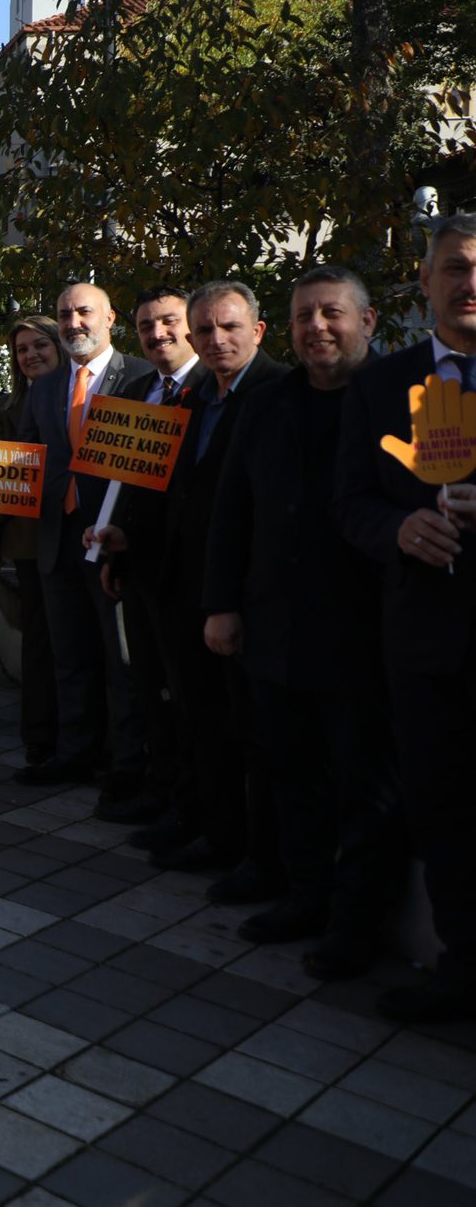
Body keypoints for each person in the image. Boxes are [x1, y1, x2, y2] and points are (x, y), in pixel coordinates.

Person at [206, 267, 401, 974]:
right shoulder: (268, 402)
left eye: (331, 313)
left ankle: (356, 926)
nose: (316, 327)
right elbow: (233, 508)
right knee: (290, 774)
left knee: (365, 790)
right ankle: (305, 896)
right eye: (303, 316)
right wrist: (222, 602)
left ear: (367, 320)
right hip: (275, 630)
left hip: (365, 636)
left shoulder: (400, 399)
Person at [98, 280, 284, 897]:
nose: (214, 339)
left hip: (246, 599)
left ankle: (262, 856)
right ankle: (213, 829)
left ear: (258, 330)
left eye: (226, 327)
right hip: (181, 586)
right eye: (206, 329)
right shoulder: (198, 398)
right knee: (201, 717)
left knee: (253, 733)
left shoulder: (275, 393)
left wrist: (230, 597)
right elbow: (168, 492)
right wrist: (125, 540)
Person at [336, 213, 476, 1023]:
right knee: (441, 807)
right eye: (454, 267)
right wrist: (397, 529)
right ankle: (462, 969)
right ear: (424, 281)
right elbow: (350, 501)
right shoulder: (382, 386)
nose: (470, 284)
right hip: (423, 641)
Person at [15, 282, 145, 789]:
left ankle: (127, 765)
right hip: (57, 540)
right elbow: (29, 457)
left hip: (114, 544)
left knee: (122, 661)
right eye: (65, 314)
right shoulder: (45, 387)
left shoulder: (140, 378)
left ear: (110, 318)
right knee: (70, 658)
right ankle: (75, 755)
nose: (74, 323)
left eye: (84, 312)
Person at [97, 287, 206, 830]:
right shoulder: (138, 392)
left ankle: (192, 807)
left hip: (189, 576)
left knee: (189, 695)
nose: (157, 333)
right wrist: (114, 548)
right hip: (137, 566)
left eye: (168, 321)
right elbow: (126, 485)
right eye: (146, 326)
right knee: (149, 685)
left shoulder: (213, 389)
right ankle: (161, 791)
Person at [0, 316, 62, 766]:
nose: (31, 355)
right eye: (21, 349)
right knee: (38, 642)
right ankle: (40, 738)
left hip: (82, 539)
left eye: (39, 345)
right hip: (30, 544)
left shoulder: (89, 397)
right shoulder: (4, 409)